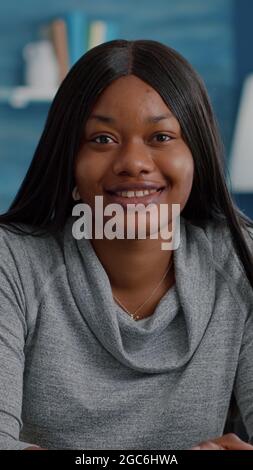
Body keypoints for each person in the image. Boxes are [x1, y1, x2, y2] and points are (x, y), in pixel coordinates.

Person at [0, 39, 253, 451]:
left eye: (161, 136)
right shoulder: (10, 262)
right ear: (67, 159)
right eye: (102, 139)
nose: (134, 161)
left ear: (196, 156)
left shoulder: (241, 259)